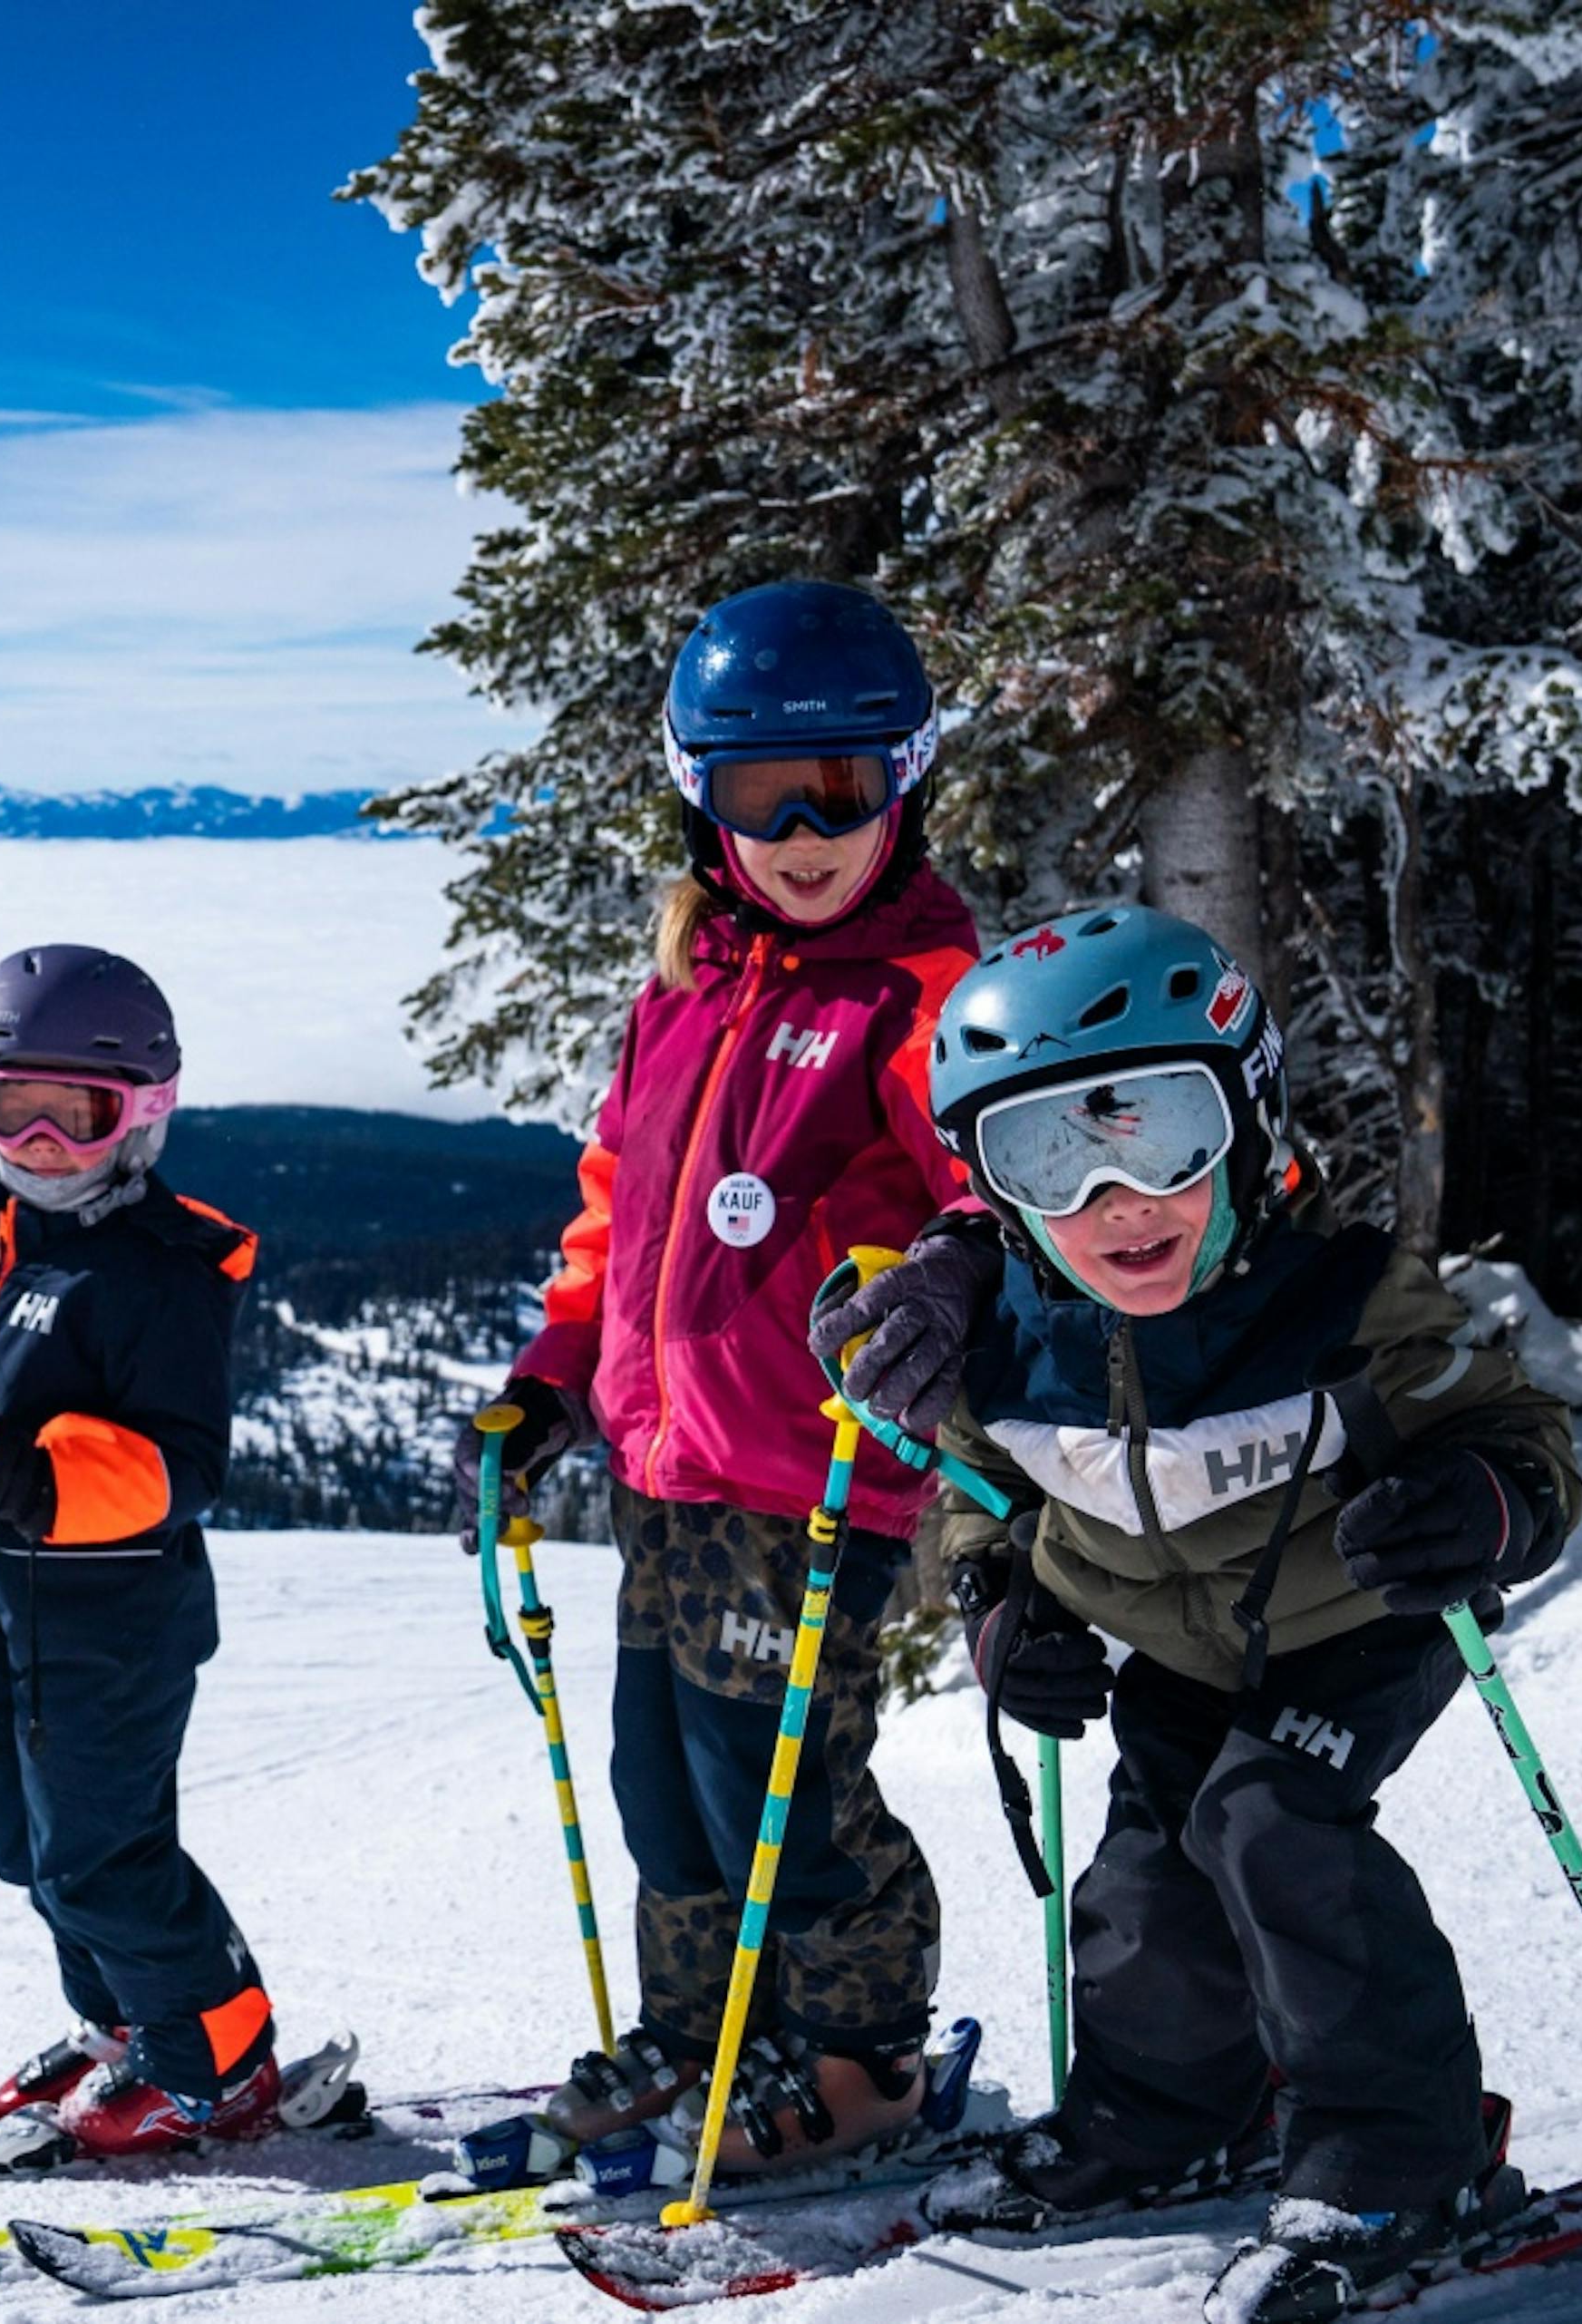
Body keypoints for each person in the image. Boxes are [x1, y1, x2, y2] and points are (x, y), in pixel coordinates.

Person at [850, 904, 1579, 2324]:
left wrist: (1485, 1504)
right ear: (994, 1192)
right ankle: (1164, 2114)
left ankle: (1405, 2157)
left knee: (1270, 1825)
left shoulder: (1341, 1305)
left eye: (1161, 1135)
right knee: (1144, 1881)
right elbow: (977, 1497)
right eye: (1050, 1156)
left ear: (1246, 1120)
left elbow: (1518, 1431)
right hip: (1178, 1653)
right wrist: (1004, 1606)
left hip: (1363, 1621)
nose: (1119, 1201)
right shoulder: (1007, 1341)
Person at [448, 579, 995, 2178]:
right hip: (665, 1463)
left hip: (817, 1470)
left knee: (782, 1792)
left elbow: (986, 1194)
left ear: (909, 777)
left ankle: (860, 2057)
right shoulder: (688, 990)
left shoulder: (927, 992)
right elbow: (616, 1210)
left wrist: (947, 1283)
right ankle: (708, 2036)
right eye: (765, 794)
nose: (808, 829)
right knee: (666, 1786)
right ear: (705, 795)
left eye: (846, 788)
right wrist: (557, 1378)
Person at [0, 943, 286, 2167]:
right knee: (29, 1849)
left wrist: (24, 1477)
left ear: (144, 1115)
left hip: (114, 1614)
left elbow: (179, 1469)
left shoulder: (161, 1270)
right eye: (17, 1107)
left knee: (104, 1856)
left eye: (80, 1112)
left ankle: (218, 2055)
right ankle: (124, 2025)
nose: (45, 1140)